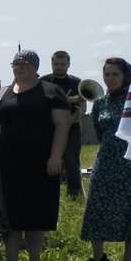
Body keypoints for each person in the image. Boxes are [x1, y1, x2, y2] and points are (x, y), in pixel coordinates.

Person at [0, 50, 72, 261]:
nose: (19, 67)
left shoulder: (51, 92)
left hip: (39, 163)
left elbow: (62, 125)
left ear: (35, 67)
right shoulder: (1, 94)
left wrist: (56, 156)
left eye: (24, 64)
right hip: (4, 165)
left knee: (36, 213)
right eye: (16, 64)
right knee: (7, 213)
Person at [81, 57, 131, 261]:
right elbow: (99, 131)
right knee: (95, 207)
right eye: (107, 74)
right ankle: (98, 257)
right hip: (106, 162)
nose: (110, 78)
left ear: (126, 76)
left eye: (115, 74)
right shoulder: (100, 102)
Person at [42, 50, 84, 199]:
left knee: (72, 161)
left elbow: (81, 105)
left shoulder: (77, 82)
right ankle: (47, 193)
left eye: (62, 64)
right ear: (51, 64)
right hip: (49, 128)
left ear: (68, 65)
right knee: (46, 160)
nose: (59, 67)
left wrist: (72, 118)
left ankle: (75, 194)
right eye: (56, 64)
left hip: (72, 127)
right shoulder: (43, 81)